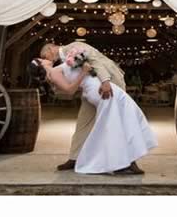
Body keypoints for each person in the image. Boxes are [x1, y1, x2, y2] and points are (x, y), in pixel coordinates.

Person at [39, 41, 154, 174]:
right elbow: (70, 83)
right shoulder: (60, 63)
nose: (46, 59)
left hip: (107, 83)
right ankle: (75, 158)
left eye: (44, 56)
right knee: (83, 123)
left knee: (116, 123)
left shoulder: (72, 47)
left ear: (49, 49)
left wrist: (105, 81)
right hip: (90, 92)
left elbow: (95, 61)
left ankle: (129, 161)